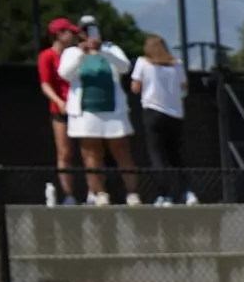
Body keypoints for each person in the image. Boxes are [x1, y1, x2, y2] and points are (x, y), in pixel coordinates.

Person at [58, 19, 139, 206]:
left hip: (113, 111)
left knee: (121, 151)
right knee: (91, 153)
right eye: (85, 30)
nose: (89, 34)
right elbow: (65, 74)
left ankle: (132, 193)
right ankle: (99, 193)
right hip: (85, 112)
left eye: (93, 29)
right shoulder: (72, 52)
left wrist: (101, 50)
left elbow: (124, 67)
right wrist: (82, 53)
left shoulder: (111, 49)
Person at [130, 36, 194, 206]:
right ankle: (187, 192)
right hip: (175, 114)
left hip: (153, 112)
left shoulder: (143, 63)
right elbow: (184, 88)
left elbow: (135, 88)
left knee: (157, 154)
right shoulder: (177, 63)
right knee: (176, 155)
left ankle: (164, 195)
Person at [38, 18, 82, 205]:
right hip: (60, 110)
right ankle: (68, 194)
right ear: (58, 34)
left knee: (89, 150)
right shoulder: (47, 56)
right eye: (68, 32)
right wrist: (58, 101)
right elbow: (46, 84)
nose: (72, 36)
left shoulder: (77, 54)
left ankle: (95, 192)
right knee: (64, 153)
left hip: (81, 108)